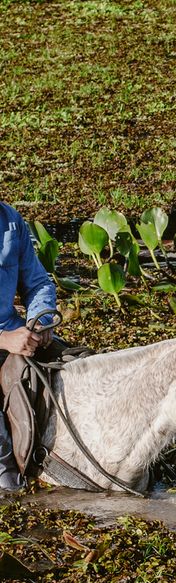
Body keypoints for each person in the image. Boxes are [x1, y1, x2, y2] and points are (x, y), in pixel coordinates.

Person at [0, 200, 59, 491]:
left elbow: (38, 283)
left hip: (16, 333)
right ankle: (6, 479)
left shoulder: (10, 219)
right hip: (7, 338)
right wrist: (4, 340)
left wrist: (39, 318)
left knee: (74, 365)